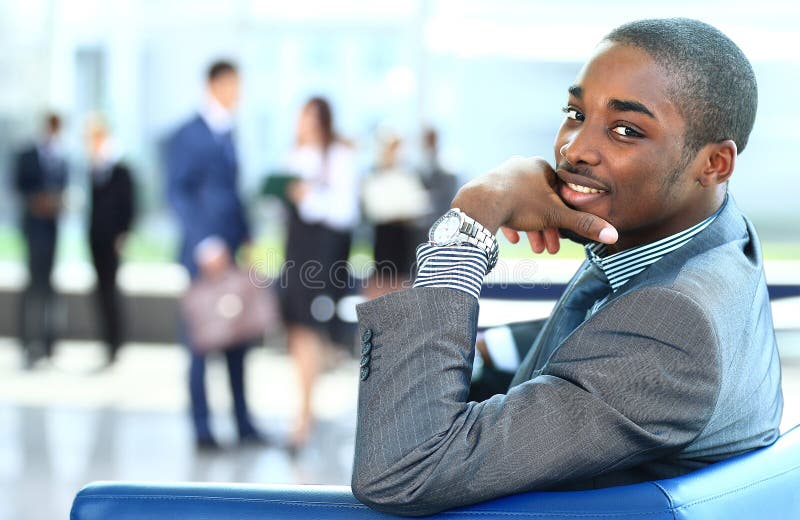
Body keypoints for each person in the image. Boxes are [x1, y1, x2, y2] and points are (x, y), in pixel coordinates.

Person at [351, 18, 783, 516]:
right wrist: (492, 347)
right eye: (576, 112)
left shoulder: (672, 330)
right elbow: (608, 327)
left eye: (626, 130)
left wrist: (471, 218)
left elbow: (404, 470)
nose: (574, 149)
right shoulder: (712, 240)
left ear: (714, 165)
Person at [165, 60, 264, 450]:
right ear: (214, 84)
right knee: (200, 343)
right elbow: (178, 192)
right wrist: (205, 242)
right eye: (232, 85)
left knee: (238, 340)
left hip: (233, 255)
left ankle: (243, 423)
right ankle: (203, 429)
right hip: (203, 256)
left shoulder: (228, 133)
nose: (237, 93)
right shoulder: (188, 135)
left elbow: (232, 195)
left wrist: (247, 240)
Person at [280, 96, 359, 448]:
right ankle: (306, 406)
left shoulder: (340, 158)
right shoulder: (294, 157)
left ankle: (305, 414)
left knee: (311, 331)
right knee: (299, 332)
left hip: (322, 257)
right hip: (295, 253)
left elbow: (344, 213)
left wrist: (308, 198)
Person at [14, 113, 68, 368]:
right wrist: (37, 201)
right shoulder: (27, 155)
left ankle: (48, 343)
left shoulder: (61, 159)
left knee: (49, 287)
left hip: (52, 228)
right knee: (32, 286)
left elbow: (64, 190)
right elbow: (18, 187)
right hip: (33, 227)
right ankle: (27, 342)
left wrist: (57, 203)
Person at [85, 115, 135, 365]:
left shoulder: (118, 168)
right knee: (101, 291)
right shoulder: (93, 167)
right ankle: (107, 341)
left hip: (112, 238)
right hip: (95, 237)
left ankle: (115, 342)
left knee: (111, 290)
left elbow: (129, 204)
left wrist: (124, 232)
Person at [361, 130, 430, 298]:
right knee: (382, 282)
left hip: (404, 235)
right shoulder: (374, 177)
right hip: (385, 234)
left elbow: (417, 205)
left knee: (402, 283)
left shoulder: (407, 176)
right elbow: (377, 208)